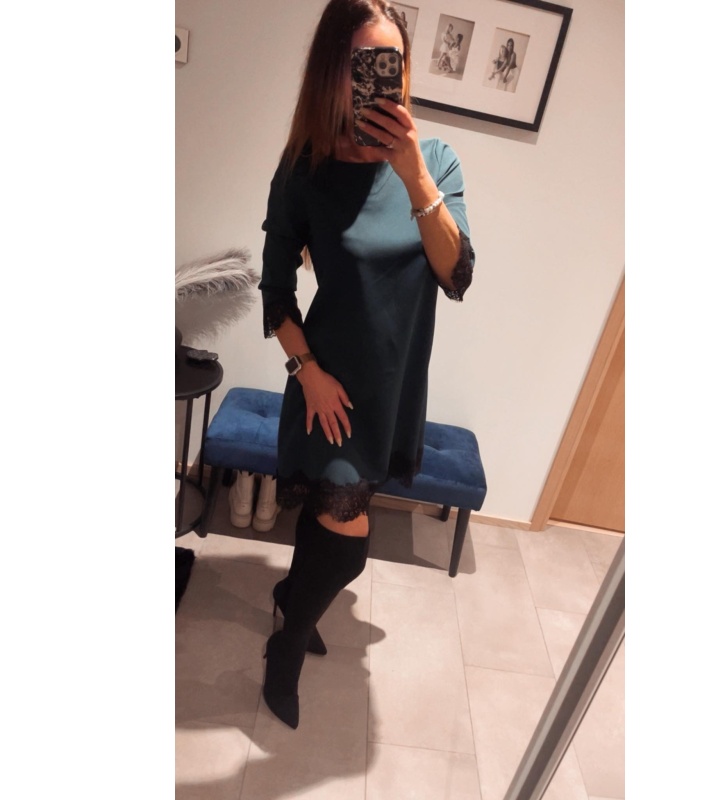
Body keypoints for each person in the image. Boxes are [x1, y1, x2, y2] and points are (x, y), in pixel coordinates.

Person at [257, 0, 474, 729]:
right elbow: (276, 294)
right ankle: (286, 647)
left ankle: (292, 597)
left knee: (334, 526)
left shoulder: (437, 162)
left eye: (393, 64)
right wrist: (307, 374)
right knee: (348, 550)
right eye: (364, 65)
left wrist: (414, 177)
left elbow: (456, 274)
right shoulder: (305, 168)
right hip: (328, 386)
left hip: (394, 391)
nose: (383, 80)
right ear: (336, 72)